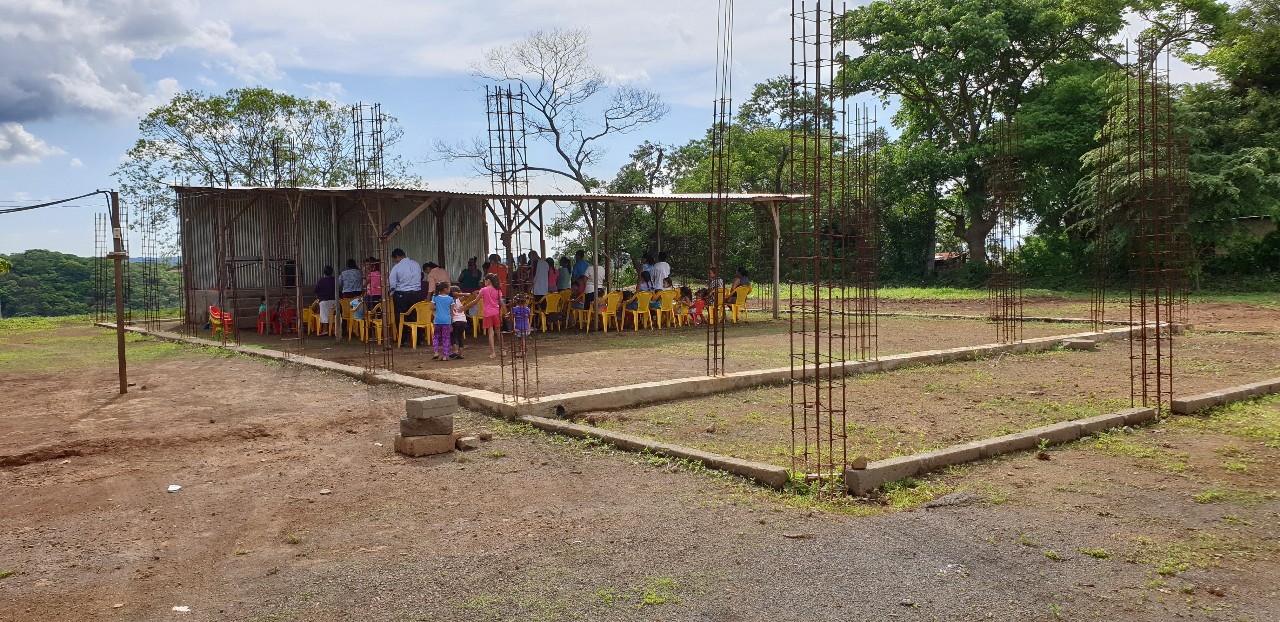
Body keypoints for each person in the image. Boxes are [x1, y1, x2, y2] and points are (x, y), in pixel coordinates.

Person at [388, 248, 422, 344]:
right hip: (416, 294)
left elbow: (392, 284)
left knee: (401, 317)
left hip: (401, 295)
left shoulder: (396, 267)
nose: (394, 262)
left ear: (397, 257)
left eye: (394, 260)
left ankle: (403, 340)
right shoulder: (416, 264)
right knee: (415, 316)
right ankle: (418, 339)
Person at [479, 273, 506, 359]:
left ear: (488, 281)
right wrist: (506, 312)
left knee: (491, 333)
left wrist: (465, 307)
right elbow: (502, 302)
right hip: (496, 313)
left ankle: (493, 352)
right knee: (499, 332)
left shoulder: (483, 290)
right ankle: (503, 350)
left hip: (487, 313)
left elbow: (476, 300)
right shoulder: (497, 290)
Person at [449, 285, 478, 360]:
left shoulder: (450, 301)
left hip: (455, 321)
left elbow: (451, 314)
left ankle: (456, 351)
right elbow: (468, 295)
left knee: (453, 336)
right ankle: (460, 354)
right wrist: (459, 294)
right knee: (460, 337)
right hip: (463, 321)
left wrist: (450, 324)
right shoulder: (459, 300)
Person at [430, 282, 454, 361]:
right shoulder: (450, 299)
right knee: (446, 338)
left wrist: (437, 307)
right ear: (445, 289)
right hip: (446, 321)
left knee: (436, 336)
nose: (449, 290)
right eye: (449, 288)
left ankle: (436, 352)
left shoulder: (435, 297)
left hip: (437, 320)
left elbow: (431, 307)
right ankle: (445, 355)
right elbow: (451, 312)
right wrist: (451, 323)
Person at [314, 266, 336, 336]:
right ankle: (334, 329)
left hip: (324, 301)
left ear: (324, 272)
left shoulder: (321, 280)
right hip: (335, 301)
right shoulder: (335, 280)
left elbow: (316, 291)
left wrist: (319, 299)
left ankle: (325, 330)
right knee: (334, 314)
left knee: (324, 315)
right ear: (332, 272)